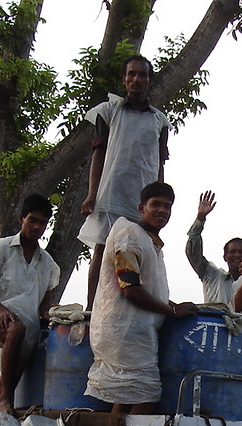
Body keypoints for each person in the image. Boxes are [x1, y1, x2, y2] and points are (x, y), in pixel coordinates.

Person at [85, 181, 197, 414]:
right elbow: (130, 289)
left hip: (134, 332)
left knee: (126, 395)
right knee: (147, 394)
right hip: (124, 332)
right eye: (156, 204)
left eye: (168, 207)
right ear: (141, 208)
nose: (162, 211)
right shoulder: (129, 236)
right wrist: (173, 311)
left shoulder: (149, 242)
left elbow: (149, 290)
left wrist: (173, 306)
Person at [78, 55, 171, 310]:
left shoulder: (159, 121)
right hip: (112, 192)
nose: (136, 79)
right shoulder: (108, 111)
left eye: (142, 74)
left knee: (142, 251)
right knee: (102, 249)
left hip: (143, 198)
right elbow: (98, 153)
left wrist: (161, 200)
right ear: (124, 79)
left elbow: (159, 161)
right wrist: (91, 194)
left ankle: (135, 306)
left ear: (149, 80)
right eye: (131, 74)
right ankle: (92, 309)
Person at [0, 194, 60, 412]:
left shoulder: (47, 263)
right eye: (32, 220)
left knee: (26, 336)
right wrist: (3, 312)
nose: (37, 227)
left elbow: (43, 308)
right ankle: (7, 398)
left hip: (28, 323)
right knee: (16, 329)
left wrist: (61, 315)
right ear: (22, 219)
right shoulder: (0, 249)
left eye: (42, 223)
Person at [185, 190, 242, 306]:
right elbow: (193, 253)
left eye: (241, 252)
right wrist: (200, 218)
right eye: (233, 252)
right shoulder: (211, 274)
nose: (237, 255)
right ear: (225, 257)